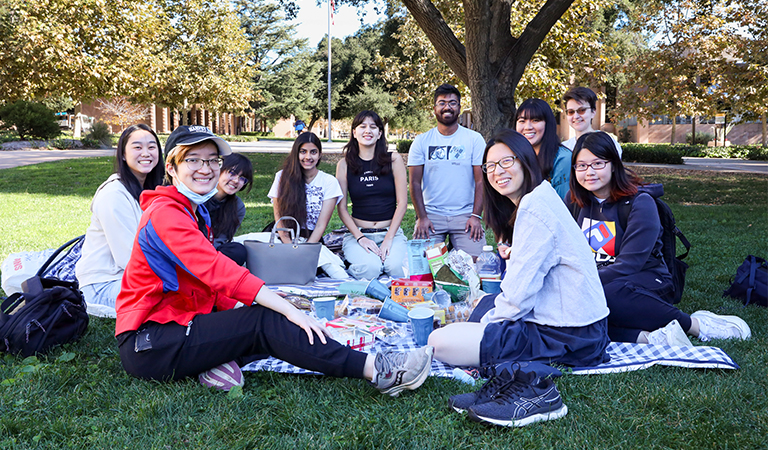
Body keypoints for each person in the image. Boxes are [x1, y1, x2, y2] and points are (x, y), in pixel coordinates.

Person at [115, 125, 433, 395]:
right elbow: (215, 270)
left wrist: (260, 302)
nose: (206, 168)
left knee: (267, 322)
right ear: (171, 167)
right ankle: (379, 370)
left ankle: (209, 363)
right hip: (150, 343)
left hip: (179, 325)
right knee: (265, 322)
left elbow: (203, 284)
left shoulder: (192, 209)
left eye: (213, 160)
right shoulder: (165, 213)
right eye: (193, 160)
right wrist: (283, 307)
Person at [428, 129, 611, 370]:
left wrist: (483, 329)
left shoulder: (534, 208)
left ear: (525, 161)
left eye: (506, 161)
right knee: (483, 303)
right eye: (490, 166)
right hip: (582, 325)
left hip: (570, 336)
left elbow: (517, 299)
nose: (498, 171)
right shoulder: (539, 196)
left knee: (439, 342)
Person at [567, 131, 751, 344]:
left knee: (606, 294)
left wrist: (581, 284)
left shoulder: (640, 203)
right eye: (581, 166)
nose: (589, 172)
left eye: (597, 164)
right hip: (596, 281)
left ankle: (694, 325)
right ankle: (648, 338)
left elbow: (630, 264)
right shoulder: (573, 203)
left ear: (614, 165)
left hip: (645, 280)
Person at [75, 124, 164, 318]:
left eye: (151, 146)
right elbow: (130, 258)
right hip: (103, 285)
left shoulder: (149, 191)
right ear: (123, 154)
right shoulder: (113, 194)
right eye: (137, 147)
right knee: (178, 296)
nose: (146, 153)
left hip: (130, 279)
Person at [408, 84, 486, 258]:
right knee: (425, 268)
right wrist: (421, 217)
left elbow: (481, 181)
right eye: (442, 103)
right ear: (435, 108)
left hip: (465, 215)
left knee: (477, 265)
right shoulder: (422, 141)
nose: (447, 107)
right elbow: (413, 183)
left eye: (452, 103)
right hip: (431, 216)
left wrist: (475, 216)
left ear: (459, 108)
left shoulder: (474, 139)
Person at [335, 111, 408, 280]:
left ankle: (377, 261)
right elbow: (342, 208)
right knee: (371, 270)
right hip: (358, 234)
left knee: (395, 268)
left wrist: (389, 238)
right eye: (362, 126)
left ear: (380, 133)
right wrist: (360, 238)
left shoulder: (394, 160)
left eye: (373, 127)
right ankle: (357, 266)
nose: (367, 131)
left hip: (391, 232)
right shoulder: (344, 164)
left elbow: (403, 203)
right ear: (354, 132)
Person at [268, 132, 348, 279]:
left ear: (320, 154)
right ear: (296, 153)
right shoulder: (282, 176)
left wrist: (303, 251)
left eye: (313, 152)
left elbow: (320, 226)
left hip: (312, 241)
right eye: (303, 152)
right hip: (283, 237)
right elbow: (278, 216)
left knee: (338, 274)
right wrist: (289, 246)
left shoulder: (329, 182)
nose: (308, 157)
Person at [515, 98, 572, 199]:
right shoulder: (515, 157)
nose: (528, 127)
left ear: (548, 124)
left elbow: (563, 206)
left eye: (535, 120)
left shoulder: (563, 159)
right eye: (522, 121)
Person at [204, 153, 253, 266]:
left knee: (237, 251)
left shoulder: (238, 207)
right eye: (232, 173)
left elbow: (222, 239)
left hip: (214, 253)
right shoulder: (198, 197)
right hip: (191, 249)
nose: (236, 180)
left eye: (242, 178)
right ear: (219, 170)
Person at [561, 87, 622, 157]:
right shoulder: (564, 149)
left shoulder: (608, 143)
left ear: (593, 112)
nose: (576, 116)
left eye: (581, 110)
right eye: (571, 112)